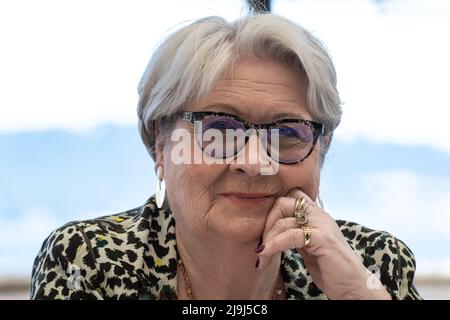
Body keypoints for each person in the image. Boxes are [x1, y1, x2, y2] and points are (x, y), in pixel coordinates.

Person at [31, 14, 421, 300]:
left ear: (321, 149)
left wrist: (357, 292)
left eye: (287, 133)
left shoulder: (374, 263)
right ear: (161, 145)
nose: (255, 162)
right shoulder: (85, 260)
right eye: (219, 130)